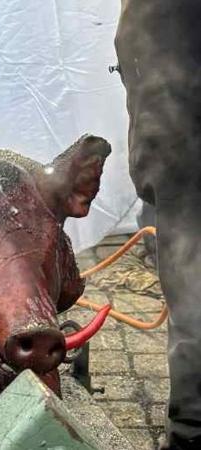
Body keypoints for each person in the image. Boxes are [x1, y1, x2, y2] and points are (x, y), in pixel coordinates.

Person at [115, 2, 201, 448]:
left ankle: (190, 432)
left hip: (182, 148)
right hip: (183, 142)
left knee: (193, 296)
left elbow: (137, 43)